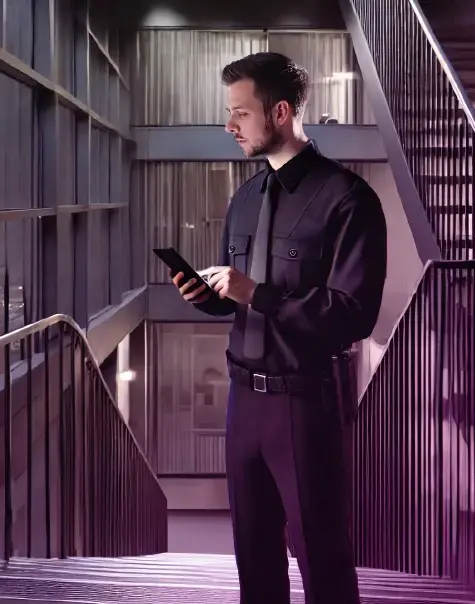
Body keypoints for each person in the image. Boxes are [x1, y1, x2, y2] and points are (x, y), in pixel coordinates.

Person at [171, 52, 387, 604]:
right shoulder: (244, 199)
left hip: (306, 404)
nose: (229, 126)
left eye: (240, 113)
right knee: (254, 561)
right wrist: (208, 296)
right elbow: (238, 303)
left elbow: (352, 314)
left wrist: (255, 293)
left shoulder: (349, 200)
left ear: (281, 112)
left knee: (324, 561)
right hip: (244, 404)